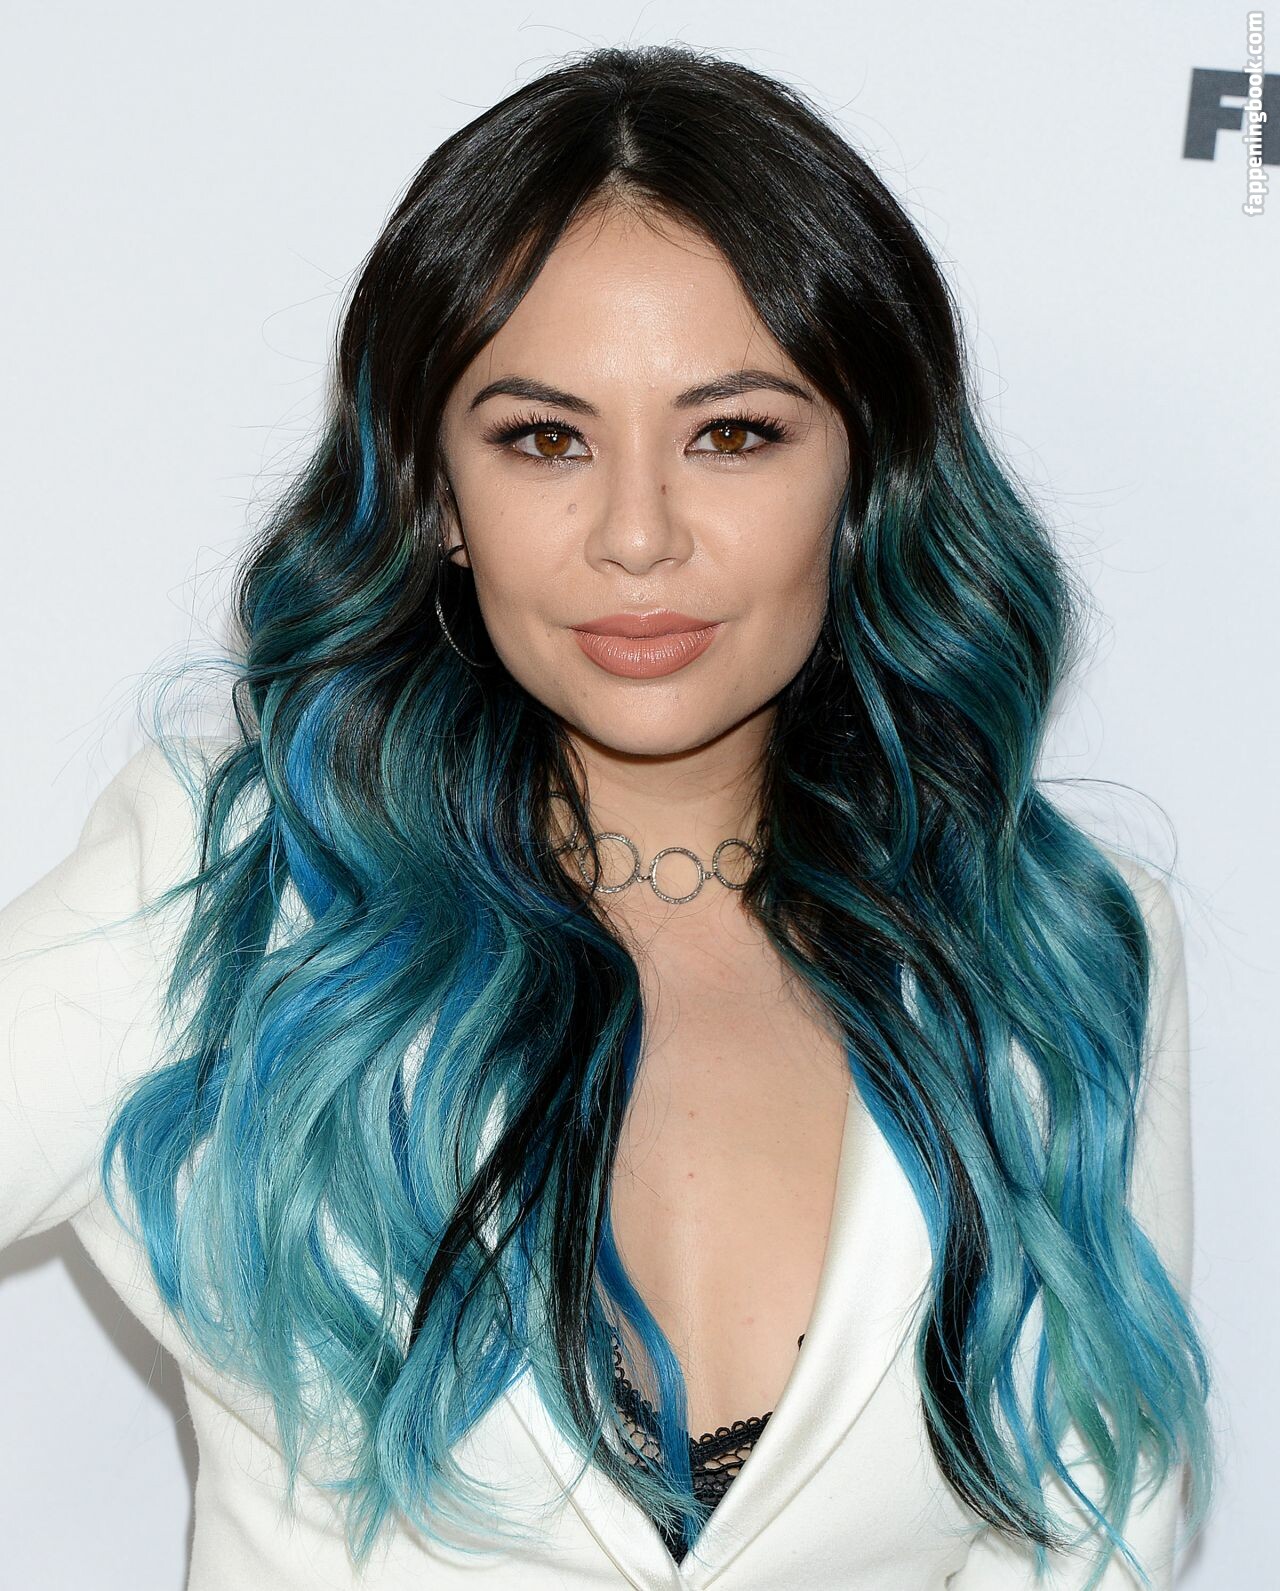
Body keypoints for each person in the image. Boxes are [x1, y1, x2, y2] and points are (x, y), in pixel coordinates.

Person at [0, 41, 1213, 1590]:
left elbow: (1095, 1539)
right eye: (544, 439)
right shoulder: (224, 887)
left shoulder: (1065, 951)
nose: (637, 535)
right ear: (436, 494)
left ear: (866, 476)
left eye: (734, 433)